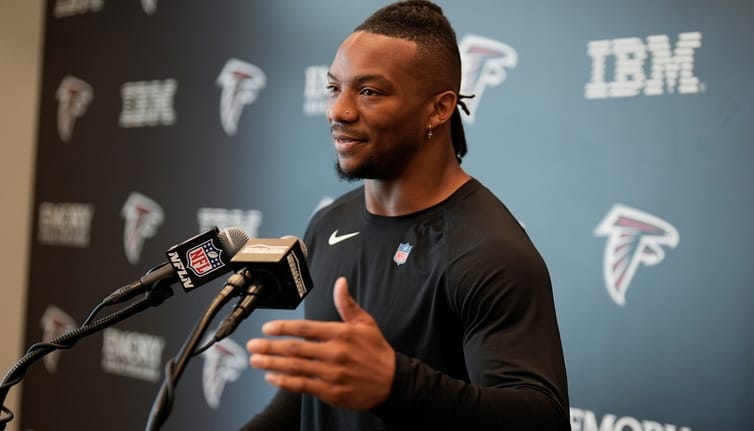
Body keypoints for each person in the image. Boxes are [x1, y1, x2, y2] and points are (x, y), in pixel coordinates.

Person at [241, 1, 569, 429]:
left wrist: (397, 386)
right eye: (334, 88)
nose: (338, 111)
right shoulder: (328, 225)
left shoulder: (488, 253)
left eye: (369, 92)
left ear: (439, 108)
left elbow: (542, 419)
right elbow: (320, 386)